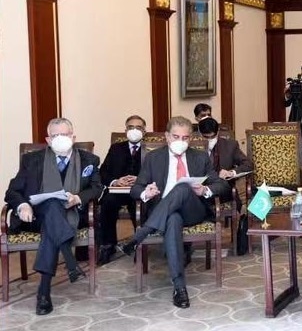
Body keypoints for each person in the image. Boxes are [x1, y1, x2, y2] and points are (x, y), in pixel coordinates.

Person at [120, 116, 228, 309]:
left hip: (193, 210)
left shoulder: (200, 157)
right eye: (176, 137)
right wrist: (147, 192)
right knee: (173, 220)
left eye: (185, 138)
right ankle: (179, 288)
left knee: (183, 188)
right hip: (167, 212)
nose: (181, 142)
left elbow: (221, 184)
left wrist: (205, 190)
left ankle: (141, 234)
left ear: (191, 139)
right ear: (167, 137)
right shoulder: (154, 158)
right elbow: (135, 189)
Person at [4, 118, 103, 315]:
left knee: (52, 213)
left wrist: (78, 198)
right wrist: (23, 205)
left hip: (72, 212)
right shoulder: (32, 160)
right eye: (56, 135)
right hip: (36, 216)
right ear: (48, 140)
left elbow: (96, 188)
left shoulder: (89, 160)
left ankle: (44, 290)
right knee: (50, 206)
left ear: (73, 137)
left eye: (65, 135)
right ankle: (70, 260)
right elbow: (12, 192)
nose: (61, 139)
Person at [97, 115, 147, 266]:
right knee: (107, 203)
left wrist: (139, 180)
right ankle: (108, 245)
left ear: (144, 131)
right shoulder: (116, 148)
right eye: (131, 127)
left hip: (139, 190)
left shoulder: (151, 150)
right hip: (118, 190)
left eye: (138, 128)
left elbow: (157, 172)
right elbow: (103, 172)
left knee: (137, 206)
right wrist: (115, 181)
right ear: (125, 130)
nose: (134, 130)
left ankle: (139, 243)